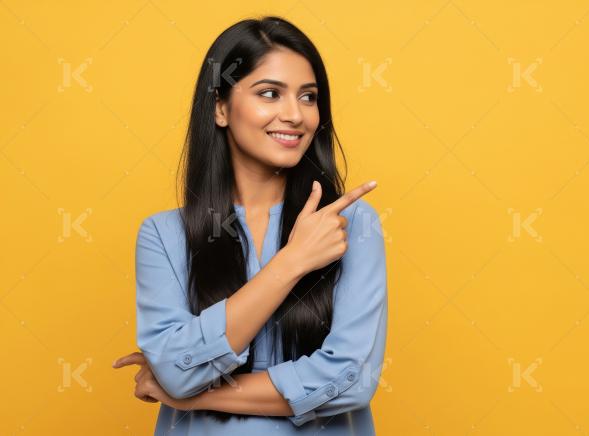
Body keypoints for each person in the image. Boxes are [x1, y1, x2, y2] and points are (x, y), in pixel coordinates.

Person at [112, 15, 388, 435]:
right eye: (270, 93)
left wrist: (189, 394)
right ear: (220, 107)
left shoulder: (348, 223)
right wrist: (291, 262)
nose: (295, 115)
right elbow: (174, 369)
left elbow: (350, 381)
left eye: (309, 97)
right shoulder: (164, 235)